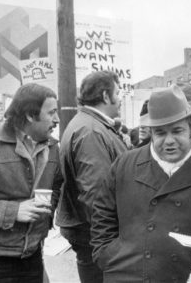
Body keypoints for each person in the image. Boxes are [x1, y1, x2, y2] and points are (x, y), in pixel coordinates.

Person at [91, 84, 191, 283]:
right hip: (127, 275)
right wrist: (108, 256)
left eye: (177, 130)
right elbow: (102, 215)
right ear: (151, 132)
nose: (169, 141)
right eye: (160, 133)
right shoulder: (125, 164)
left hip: (187, 277)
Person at [0, 83, 63, 283]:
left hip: (32, 256)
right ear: (29, 115)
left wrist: (47, 209)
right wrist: (13, 211)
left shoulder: (52, 147)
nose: (57, 119)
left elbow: (56, 185)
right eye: (52, 112)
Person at [55, 70, 127, 283]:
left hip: (91, 235)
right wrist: (112, 241)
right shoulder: (92, 132)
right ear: (106, 96)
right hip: (98, 239)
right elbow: (97, 195)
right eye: (118, 92)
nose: (121, 98)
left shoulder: (89, 125)